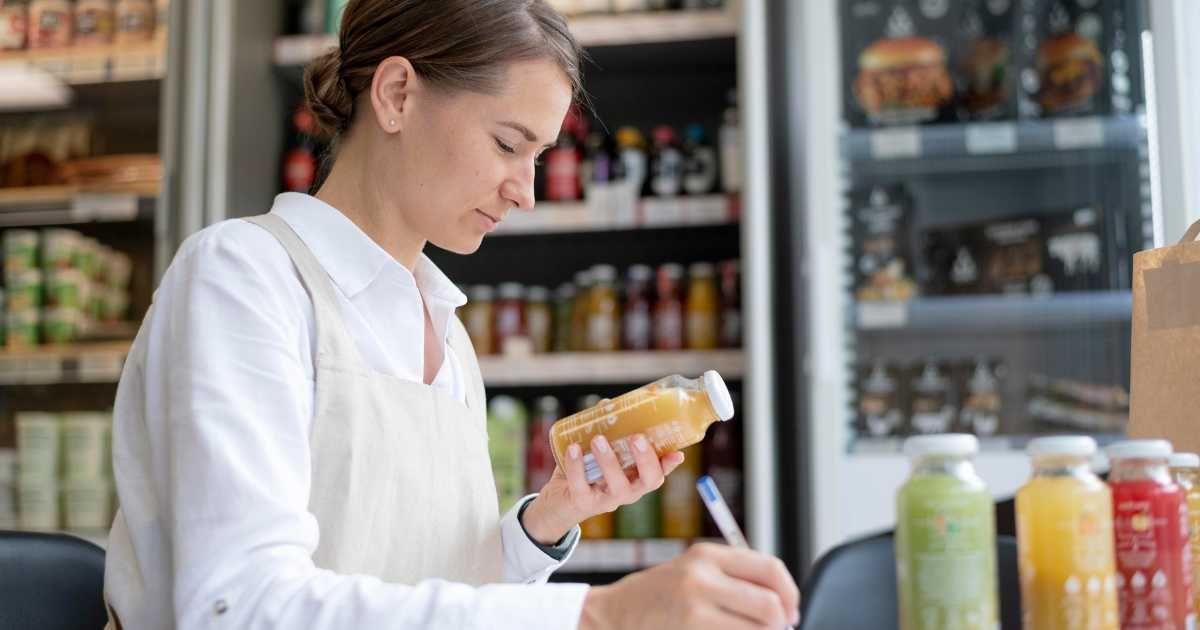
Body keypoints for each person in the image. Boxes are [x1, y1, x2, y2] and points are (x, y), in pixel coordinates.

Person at [102, 1, 799, 628]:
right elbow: (239, 605)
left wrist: (546, 521)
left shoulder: (445, 328)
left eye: (540, 157)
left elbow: (426, 590)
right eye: (507, 144)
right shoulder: (243, 277)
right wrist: (600, 615)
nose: (526, 192)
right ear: (398, 94)